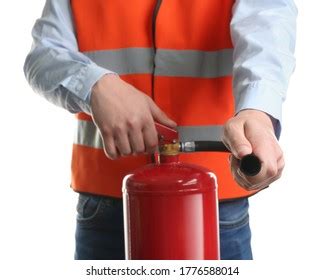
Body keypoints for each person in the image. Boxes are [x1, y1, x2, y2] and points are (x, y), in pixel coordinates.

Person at [24, 0, 297, 260]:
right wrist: (95, 86)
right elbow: (43, 54)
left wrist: (259, 111)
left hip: (214, 207)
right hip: (105, 207)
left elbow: (268, 26)